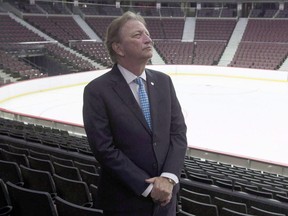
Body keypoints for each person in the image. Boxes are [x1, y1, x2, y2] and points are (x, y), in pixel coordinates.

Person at [82, 11, 187, 216]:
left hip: (166, 202)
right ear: (118, 48)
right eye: (137, 35)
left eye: (147, 33)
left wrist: (168, 178)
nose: (148, 39)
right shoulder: (97, 91)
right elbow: (104, 149)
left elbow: (178, 133)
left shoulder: (164, 82)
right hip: (125, 203)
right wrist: (149, 188)